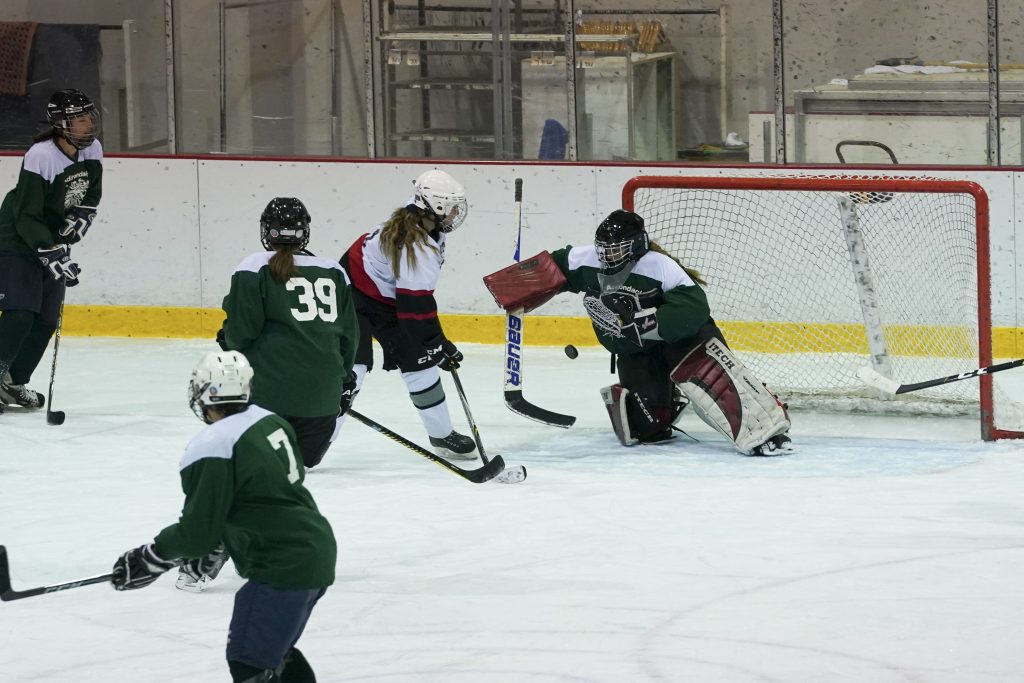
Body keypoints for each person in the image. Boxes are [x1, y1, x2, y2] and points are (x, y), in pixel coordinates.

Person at [111, 350, 336, 683]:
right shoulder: (269, 420)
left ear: (202, 393)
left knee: (250, 663)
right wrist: (225, 540)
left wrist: (152, 556)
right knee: (277, 653)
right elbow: (263, 495)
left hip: (280, 564)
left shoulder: (212, 445)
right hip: (312, 549)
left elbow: (196, 532)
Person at [490, 209, 793, 456]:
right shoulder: (586, 260)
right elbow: (552, 267)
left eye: (617, 249)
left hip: (682, 340)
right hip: (635, 349)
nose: (608, 256)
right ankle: (663, 403)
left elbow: (694, 309)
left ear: (636, 245)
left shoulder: (660, 266)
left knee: (707, 378)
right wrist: (516, 286)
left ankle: (766, 424)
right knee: (645, 430)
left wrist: (647, 325)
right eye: (604, 249)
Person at [339, 169, 476, 459]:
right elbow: (415, 308)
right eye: (450, 208)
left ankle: (441, 435)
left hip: (385, 299)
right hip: (351, 296)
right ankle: (314, 440)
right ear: (435, 208)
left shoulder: (419, 215)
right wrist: (439, 345)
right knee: (353, 370)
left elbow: (416, 302)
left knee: (421, 364)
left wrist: (435, 344)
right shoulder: (416, 245)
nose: (454, 214)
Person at [220, 196, 359, 470]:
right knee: (300, 465)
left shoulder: (253, 267)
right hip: (321, 411)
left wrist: (226, 338)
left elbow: (240, 334)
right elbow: (349, 339)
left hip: (267, 405)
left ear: (266, 231)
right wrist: (341, 384)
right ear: (304, 232)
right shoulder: (333, 271)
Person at [0, 88, 101, 412]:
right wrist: (51, 250)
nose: (88, 124)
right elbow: (26, 214)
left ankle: (12, 383)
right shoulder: (41, 155)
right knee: (20, 313)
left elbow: (91, 193)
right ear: (61, 123)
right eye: (79, 119)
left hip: (50, 240)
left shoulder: (93, 149)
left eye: (89, 116)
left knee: (45, 319)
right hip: (16, 239)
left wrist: (81, 217)